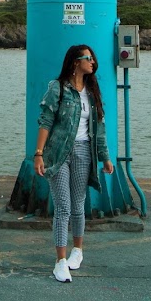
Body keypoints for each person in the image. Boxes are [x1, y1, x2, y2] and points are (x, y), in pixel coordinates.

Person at [33, 44, 114, 282]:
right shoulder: (57, 88)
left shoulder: (93, 91)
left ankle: (77, 251)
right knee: (63, 207)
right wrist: (38, 154)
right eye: (88, 58)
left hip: (83, 152)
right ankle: (60, 262)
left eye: (93, 58)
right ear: (76, 62)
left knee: (78, 206)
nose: (93, 62)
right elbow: (46, 121)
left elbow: (99, 129)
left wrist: (105, 157)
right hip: (58, 153)